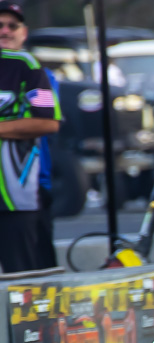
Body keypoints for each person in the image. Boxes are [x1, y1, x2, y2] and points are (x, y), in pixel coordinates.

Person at [0, 1, 62, 274]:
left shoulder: (30, 67)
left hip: (23, 191)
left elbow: (48, 122)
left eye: (12, 26)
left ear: (24, 32)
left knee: (27, 275)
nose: (5, 31)